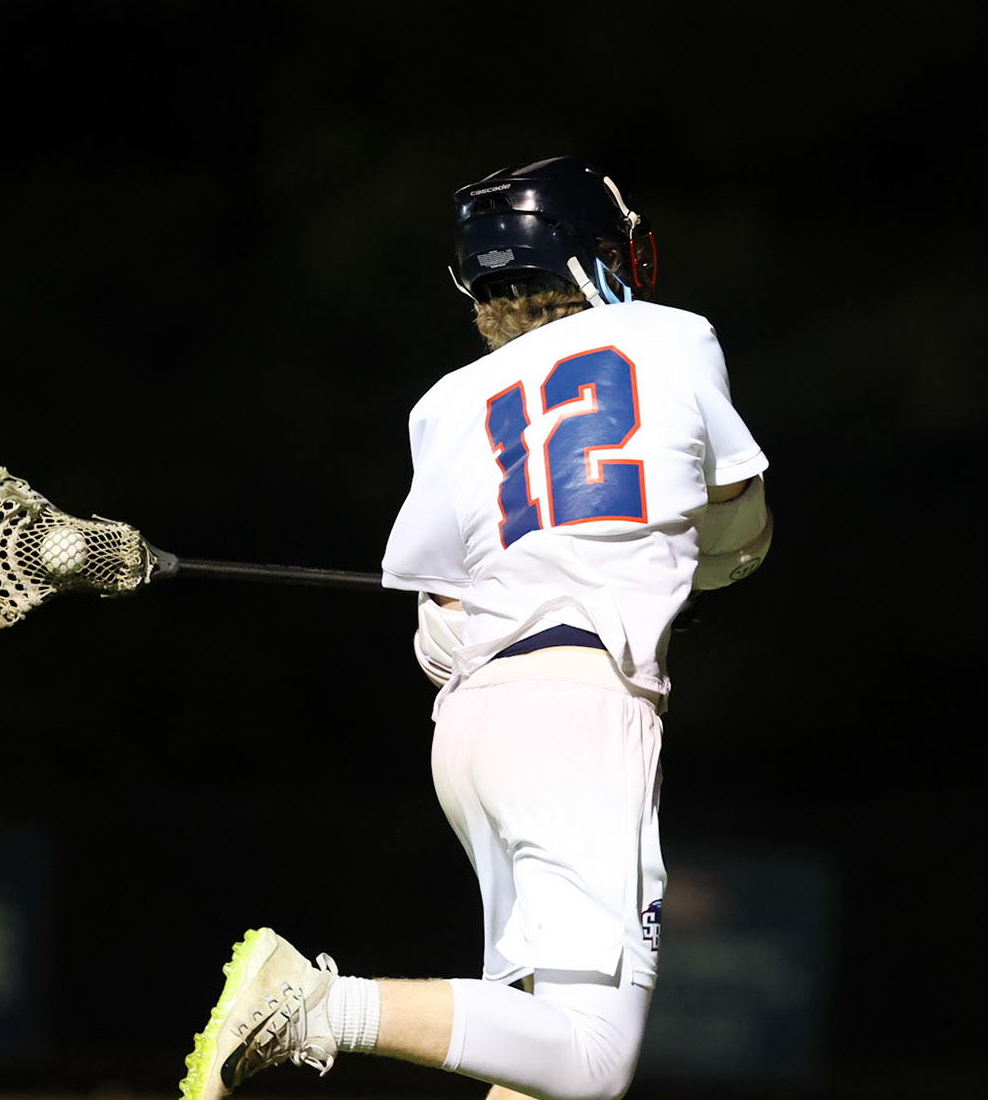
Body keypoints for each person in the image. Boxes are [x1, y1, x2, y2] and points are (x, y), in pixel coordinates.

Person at [180, 156, 773, 1100]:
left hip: (471, 729)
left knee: (530, 1046)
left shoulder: (447, 404)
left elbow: (437, 622)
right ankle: (313, 1005)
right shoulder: (671, 336)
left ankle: (321, 1008)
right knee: (590, 1061)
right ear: (591, 260)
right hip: (581, 712)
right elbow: (740, 523)